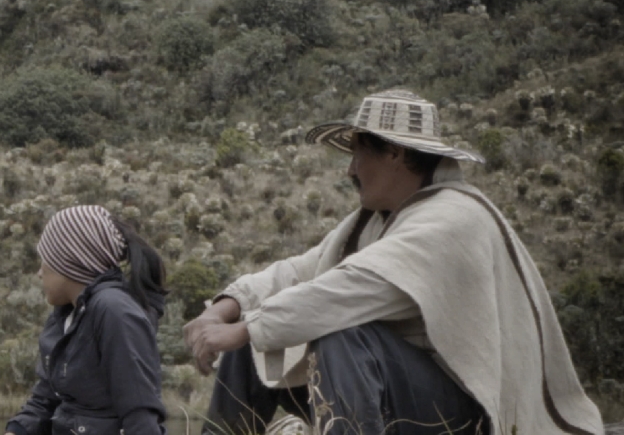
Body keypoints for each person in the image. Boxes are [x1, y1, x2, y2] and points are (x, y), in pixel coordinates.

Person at [183, 90, 604, 435]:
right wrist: (228, 308)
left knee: (340, 335)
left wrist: (243, 330)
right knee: (258, 337)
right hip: (393, 391)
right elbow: (301, 271)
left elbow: (347, 290)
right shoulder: (380, 220)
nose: (350, 169)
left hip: (467, 414)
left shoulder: (453, 219)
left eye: (359, 153)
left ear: (396, 154)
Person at [4, 205, 168, 435]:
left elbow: (140, 415)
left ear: (67, 261)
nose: (40, 273)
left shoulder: (114, 311)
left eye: (45, 259)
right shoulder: (65, 314)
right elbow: (44, 399)